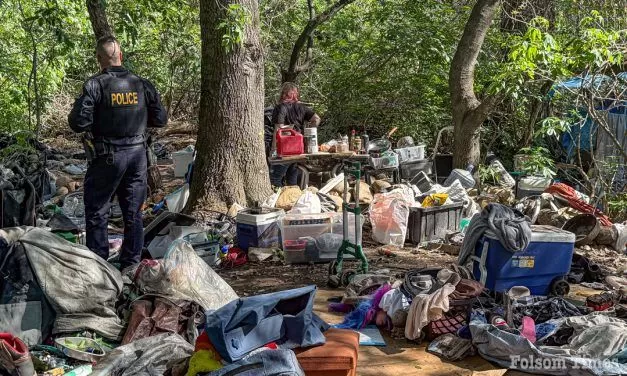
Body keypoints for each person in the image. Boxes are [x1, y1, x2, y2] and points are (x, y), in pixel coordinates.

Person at [68, 35, 167, 269]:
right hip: (137, 156)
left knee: (97, 211)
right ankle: (131, 265)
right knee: (133, 213)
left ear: (99, 59)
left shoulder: (95, 85)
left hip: (108, 158)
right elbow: (160, 119)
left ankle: (100, 266)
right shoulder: (141, 83)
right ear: (120, 56)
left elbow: (78, 122)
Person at [269, 82, 320, 187]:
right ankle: (292, 199)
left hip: (284, 149)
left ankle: (277, 201)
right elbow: (317, 119)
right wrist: (310, 131)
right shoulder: (302, 107)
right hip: (298, 149)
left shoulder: (280, 107)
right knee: (292, 180)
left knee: (275, 179)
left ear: (283, 94)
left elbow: (279, 129)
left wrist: (273, 149)